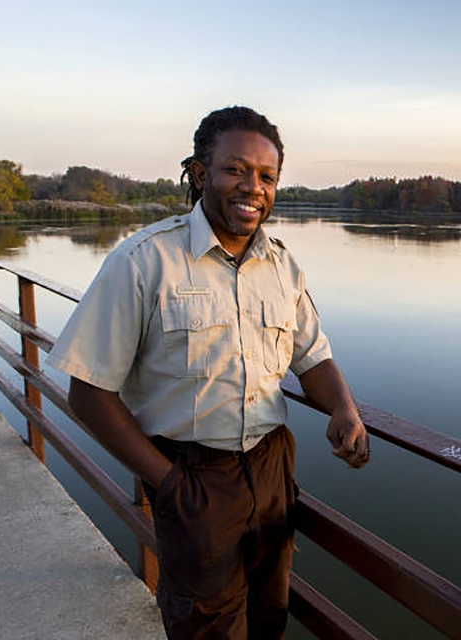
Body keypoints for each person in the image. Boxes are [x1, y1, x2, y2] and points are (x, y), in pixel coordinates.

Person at [46, 105, 369, 640]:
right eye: (236, 169)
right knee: (206, 627)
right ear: (200, 174)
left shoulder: (283, 265)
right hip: (190, 473)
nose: (253, 187)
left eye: (267, 176)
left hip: (271, 469)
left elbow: (312, 355)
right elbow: (88, 390)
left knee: (269, 616)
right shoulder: (145, 261)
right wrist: (169, 483)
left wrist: (343, 406)